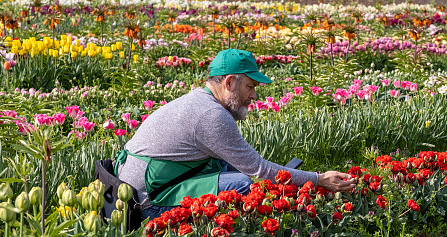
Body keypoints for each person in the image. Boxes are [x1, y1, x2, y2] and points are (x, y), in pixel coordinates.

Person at [115, 48, 356, 220]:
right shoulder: (211, 115)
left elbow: (243, 164)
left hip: (133, 188)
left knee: (228, 167)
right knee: (241, 185)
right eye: (250, 87)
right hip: (146, 201)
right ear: (229, 82)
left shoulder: (198, 100)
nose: (253, 96)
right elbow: (258, 169)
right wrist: (318, 179)